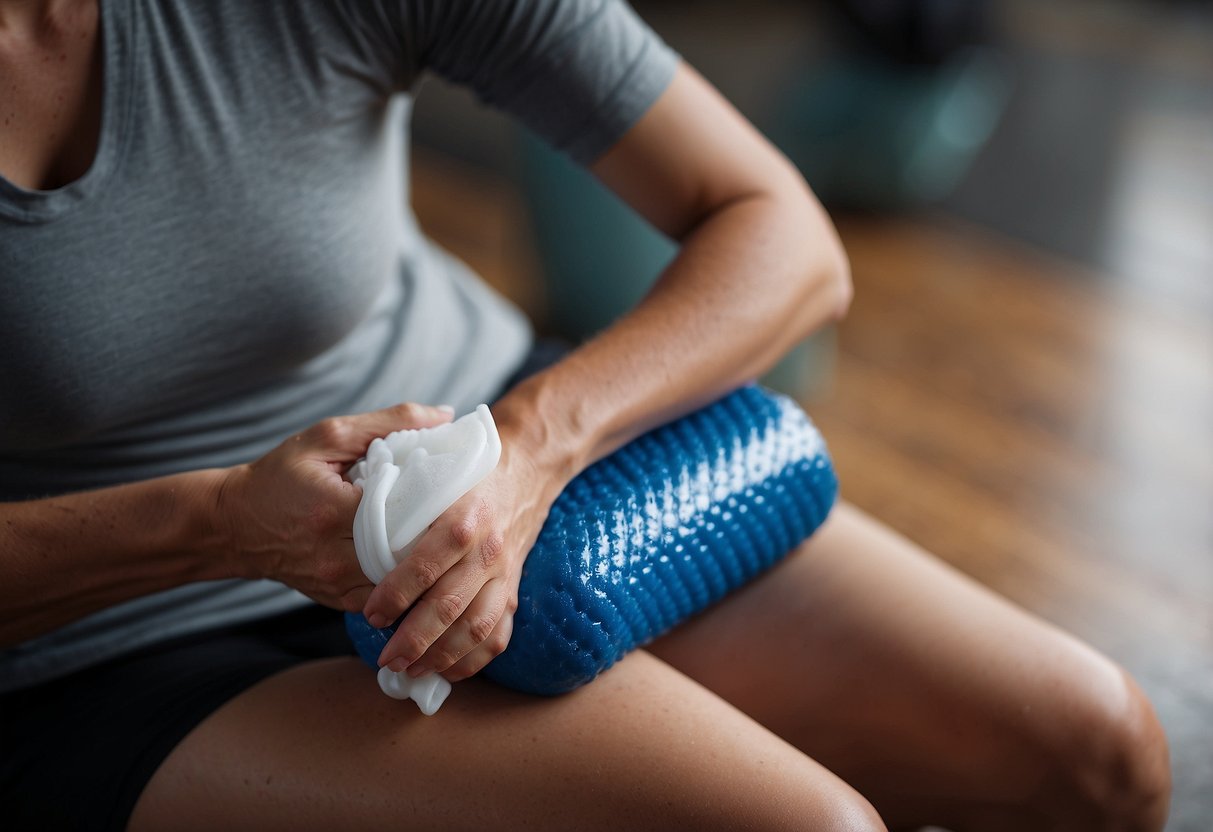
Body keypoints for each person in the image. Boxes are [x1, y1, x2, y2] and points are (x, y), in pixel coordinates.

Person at [0, 1, 1170, 829]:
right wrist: (216, 526)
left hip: (502, 484)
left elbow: (783, 236)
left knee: (1096, 746)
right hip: (105, 632)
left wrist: (529, 444)